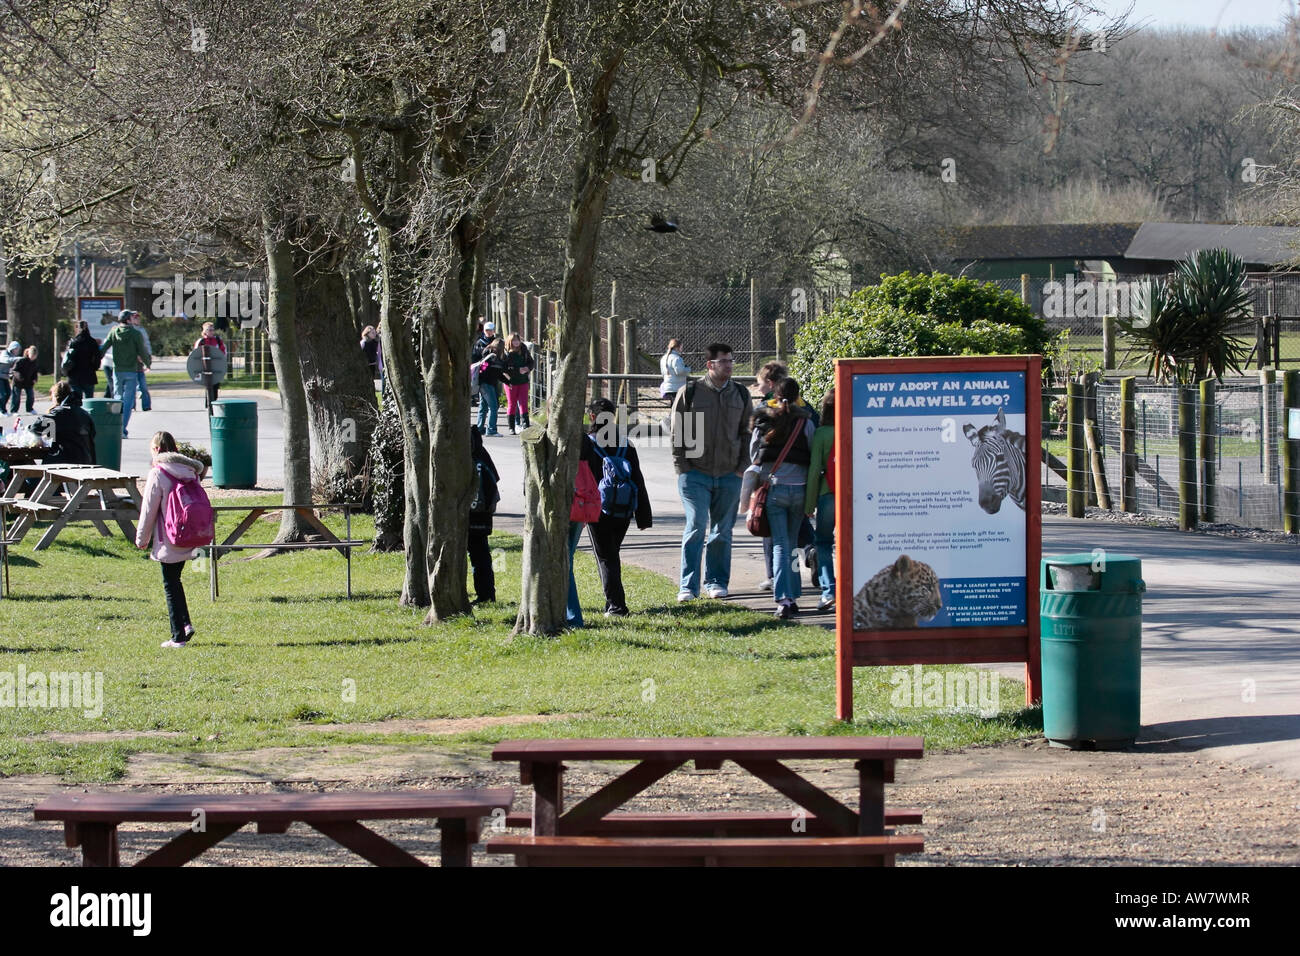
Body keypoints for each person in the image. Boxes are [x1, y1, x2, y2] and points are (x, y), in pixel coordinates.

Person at [671, 342, 752, 602]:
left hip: (730, 475)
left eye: (731, 360)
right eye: (724, 361)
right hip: (695, 474)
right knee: (696, 526)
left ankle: (716, 581)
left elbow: (748, 433)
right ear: (710, 365)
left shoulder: (740, 393)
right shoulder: (691, 392)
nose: (730, 365)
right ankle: (688, 586)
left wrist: (742, 468)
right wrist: (682, 468)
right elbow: (678, 432)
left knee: (722, 531)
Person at [573, 397, 653, 617]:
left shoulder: (587, 444)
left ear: (591, 416)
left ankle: (617, 606)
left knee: (606, 557)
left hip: (597, 509)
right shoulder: (626, 444)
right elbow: (638, 480)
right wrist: (643, 516)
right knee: (611, 554)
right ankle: (612, 603)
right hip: (624, 509)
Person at [749, 378, 815, 619]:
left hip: (774, 489)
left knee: (779, 544)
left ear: (773, 397)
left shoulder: (763, 421)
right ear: (798, 396)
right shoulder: (804, 422)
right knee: (793, 544)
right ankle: (794, 595)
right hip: (799, 490)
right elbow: (811, 450)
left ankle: (784, 599)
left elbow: (754, 453)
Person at [134, 431, 203, 648]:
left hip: (168, 537)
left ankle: (178, 637)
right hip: (189, 534)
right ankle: (185, 624)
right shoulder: (191, 471)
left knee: (170, 585)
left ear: (155, 450)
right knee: (176, 580)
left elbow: (148, 510)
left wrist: (141, 538)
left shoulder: (158, 473)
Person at [804, 391, 836, 612]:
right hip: (855, 498)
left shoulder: (822, 433)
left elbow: (815, 470)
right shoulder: (858, 428)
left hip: (828, 496)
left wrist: (808, 506)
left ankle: (829, 591)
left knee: (823, 543)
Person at [100, 309, 150, 437]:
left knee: (117, 398)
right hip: (131, 371)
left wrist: (95, 358)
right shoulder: (135, 334)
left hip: (117, 371)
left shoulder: (114, 332)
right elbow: (142, 351)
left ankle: (116, 427)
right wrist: (147, 363)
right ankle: (122, 429)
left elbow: (104, 347)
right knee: (128, 401)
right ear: (128, 320)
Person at [468, 424, 500, 604]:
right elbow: (494, 478)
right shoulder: (481, 450)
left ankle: (481, 594)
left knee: (463, 555)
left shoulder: (456, 448)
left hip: (464, 514)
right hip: (482, 515)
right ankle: (486, 594)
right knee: (481, 556)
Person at [30, 381, 96, 465]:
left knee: (25, 466)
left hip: (63, 460)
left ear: (56, 397)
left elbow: (35, 428)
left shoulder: (58, 412)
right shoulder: (84, 413)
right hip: (86, 460)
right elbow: (93, 434)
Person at [476, 339, 507, 437]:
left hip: (481, 384)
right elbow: (498, 374)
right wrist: (508, 381)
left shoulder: (486, 354)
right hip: (488, 385)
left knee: (483, 407)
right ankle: (491, 430)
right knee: (494, 407)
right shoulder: (494, 358)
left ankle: (480, 428)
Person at [63, 321, 101, 401]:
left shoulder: (73, 342)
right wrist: (94, 368)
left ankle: (78, 413)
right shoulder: (92, 342)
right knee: (89, 400)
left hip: (74, 375)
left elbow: (68, 358)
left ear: (77, 328)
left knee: (76, 400)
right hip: (89, 374)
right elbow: (97, 358)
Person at [504, 333, 532, 434]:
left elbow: (531, 362)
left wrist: (527, 368)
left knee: (524, 404)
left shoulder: (524, 350)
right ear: (510, 341)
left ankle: (526, 425)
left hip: (523, 381)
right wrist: (518, 370)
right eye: (514, 340)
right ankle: (511, 427)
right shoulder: (506, 353)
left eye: (517, 340)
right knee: (512, 404)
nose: (516, 342)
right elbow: (504, 369)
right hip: (511, 382)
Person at [195, 322, 227, 404]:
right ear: (204, 331)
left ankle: (214, 403)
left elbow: (223, 352)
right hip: (204, 367)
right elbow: (195, 354)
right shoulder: (201, 341)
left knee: (216, 385)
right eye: (209, 330)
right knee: (209, 386)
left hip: (216, 367)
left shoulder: (217, 340)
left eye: (212, 330)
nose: (211, 332)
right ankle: (209, 404)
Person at [131, 313, 154, 412]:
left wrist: (148, 355)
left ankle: (146, 405)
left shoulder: (142, 330)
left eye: (138, 318)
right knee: (131, 387)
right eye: (135, 318)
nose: (137, 319)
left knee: (143, 386)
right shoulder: (130, 331)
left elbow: (146, 343)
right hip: (131, 362)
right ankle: (131, 405)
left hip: (141, 362)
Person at [8, 346, 39, 414]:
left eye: (35, 356)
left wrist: (35, 378)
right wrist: (19, 377)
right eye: (32, 355)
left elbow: (35, 372)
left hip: (28, 382)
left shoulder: (34, 362)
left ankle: (29, 409)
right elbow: (14, 370)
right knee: (16, 397)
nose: (33, 357)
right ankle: (14, 411)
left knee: (30, 396)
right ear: (28, 354)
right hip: (18, 381)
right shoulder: (21, 360)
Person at [0, 341, 21, 410]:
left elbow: (13, 368)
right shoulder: (4, 353)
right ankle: (2, 410)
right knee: (3, 394)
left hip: (5, 377)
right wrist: (18, 358)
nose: (17, 350)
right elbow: (6, 360)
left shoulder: (13, 356)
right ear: (12, 348)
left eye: (18, 349)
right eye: (16, 349)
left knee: (8, 393)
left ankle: (2, 409)